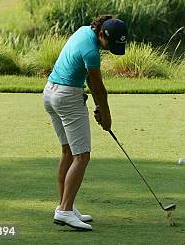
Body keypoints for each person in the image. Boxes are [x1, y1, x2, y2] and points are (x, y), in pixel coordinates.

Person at [44, 15, 128, 231]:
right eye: (110, 44)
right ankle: (64, 211)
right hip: (67, 97)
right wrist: (106, 116)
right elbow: (98, 86)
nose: (110, 50)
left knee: (68, 153)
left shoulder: (84, 31)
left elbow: (90, 81)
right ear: (101, 34)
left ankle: (66, 207)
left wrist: (100, 108)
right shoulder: (91, 52)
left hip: (50, 93)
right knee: (82, 156)